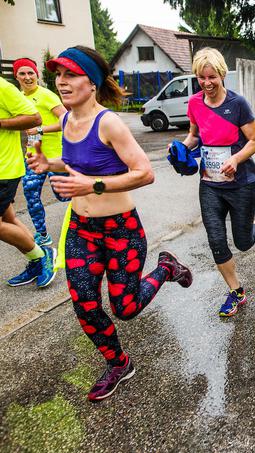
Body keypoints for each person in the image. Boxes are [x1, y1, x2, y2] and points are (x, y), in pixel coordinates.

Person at [28, 45, 193, 401]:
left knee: (126, 308)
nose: (62, 82)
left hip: (121, 230)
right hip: (81, 231)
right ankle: (119, 363)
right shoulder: (67, 120)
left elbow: (144, 173)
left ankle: (166, 268)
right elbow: (78, 163)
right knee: (84, 304)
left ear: (92, 82)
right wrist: (49, 163)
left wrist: (92, 185)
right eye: (59, 75)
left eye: (71, 75)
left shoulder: (109, 123)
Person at [176, 47, 255, 317]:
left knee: (243, 243)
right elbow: (195, 135)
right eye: (201, 78)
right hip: (210, 184)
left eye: (212, 77)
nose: (207, 83)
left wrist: (236, 159)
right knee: (217, 241)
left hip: (241, 183)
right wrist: (181, 148)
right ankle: (236, 292)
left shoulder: (238, 104)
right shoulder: (195, 103)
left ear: (222, 75)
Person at [0, 76, 56, 288]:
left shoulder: (2, 87)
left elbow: (35, 118)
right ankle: (37, 260)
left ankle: (42, 256)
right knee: (9, 219)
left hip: (4, 168)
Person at [14, 58, 69, 247]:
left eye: (31, 73)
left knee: (64, 195)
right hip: (33, 157)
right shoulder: (18, 98)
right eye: (22, 73)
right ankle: (43, 234)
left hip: (56, 156)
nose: (28, 77)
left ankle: (87, 219)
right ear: (16, 77)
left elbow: (66, 119)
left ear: (36, 75)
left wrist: (40, 130)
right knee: (31, 193)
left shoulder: (46, 95)